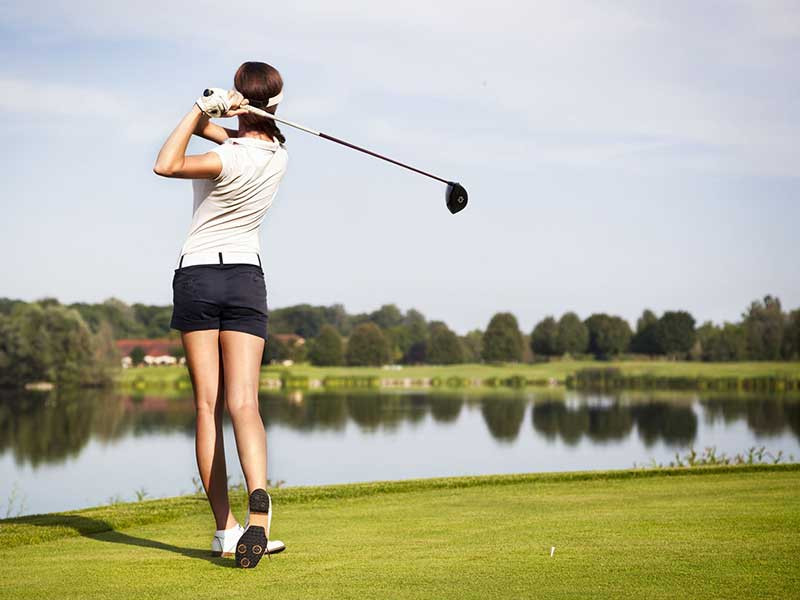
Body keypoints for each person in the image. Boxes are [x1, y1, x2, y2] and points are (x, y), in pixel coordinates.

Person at [153, 61, 288, 569]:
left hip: (199, 276)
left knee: (207, 406)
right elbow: (235, 134)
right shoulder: (277, 155)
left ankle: (225, 530)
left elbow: (166, 163)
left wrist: (198, 107)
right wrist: (227, 109)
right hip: (244, 279)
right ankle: (260, 507)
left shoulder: (221, 159)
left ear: (244, 101)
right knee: (245, 404)